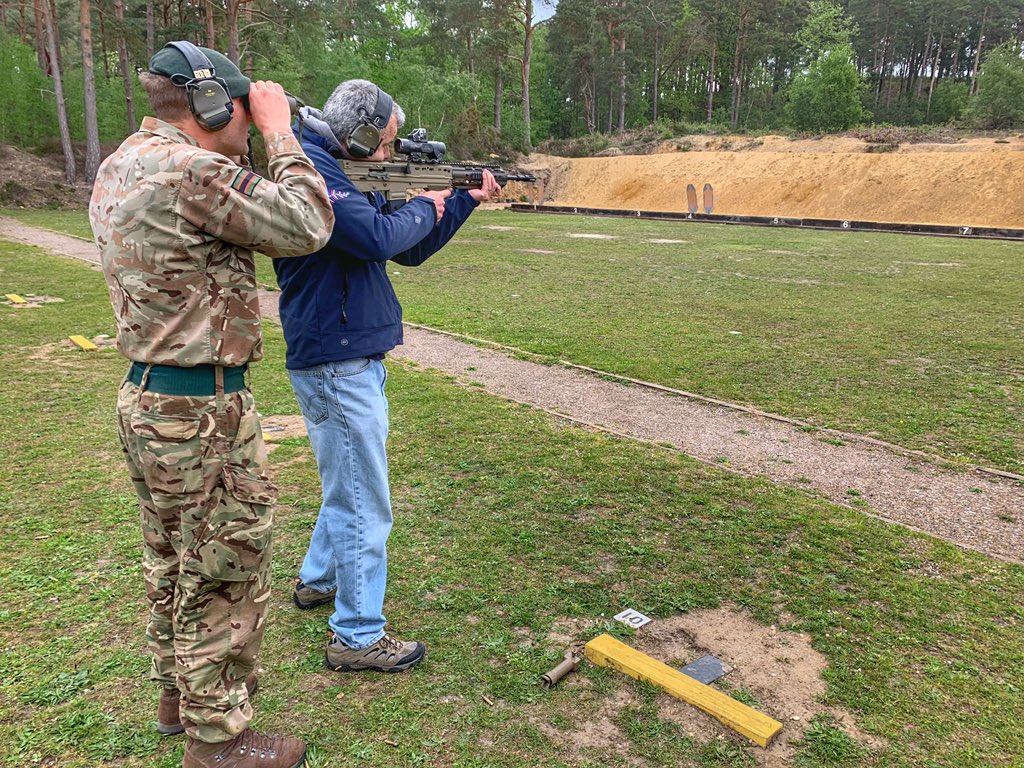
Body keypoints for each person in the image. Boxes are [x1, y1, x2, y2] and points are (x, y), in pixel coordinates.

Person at [89, 41, 333, 768]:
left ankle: (176, 697)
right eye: (244, 116)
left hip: (148, 398)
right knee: (226, 569)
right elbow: (307, 224)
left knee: (170, 558)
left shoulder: (124, 160)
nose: (250, 130)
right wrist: (282, 131)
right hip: (202, 410)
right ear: (209, 105)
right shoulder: (193, 168)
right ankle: (218, 742)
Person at [273, 80, 500, 672]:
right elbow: (375, 237)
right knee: (364, 503)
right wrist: (427, 201)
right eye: (386, 143)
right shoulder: (316, 170)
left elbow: (407, 251)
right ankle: (356, 635)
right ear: (360, 135)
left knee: (346, 483)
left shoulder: (338, 164)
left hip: (344, 352)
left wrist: (460, 200)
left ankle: (319, 580)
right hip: (336, 355)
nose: (389, 154)